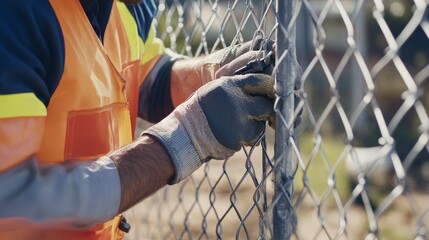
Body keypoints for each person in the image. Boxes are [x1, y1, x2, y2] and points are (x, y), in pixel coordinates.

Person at [0, 0, 277, 239]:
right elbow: (11, 203)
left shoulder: (125, 8)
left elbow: (145, 79)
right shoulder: (15, 17)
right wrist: (187, 139)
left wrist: (215, 74)